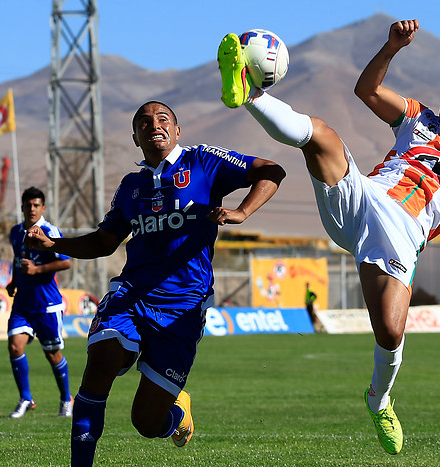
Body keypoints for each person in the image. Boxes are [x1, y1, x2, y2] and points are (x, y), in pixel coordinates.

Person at [217, 20, 440, 455]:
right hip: (364, 197)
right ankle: (248, 92)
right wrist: (390, 49)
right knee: (321, 136)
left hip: (403, 235)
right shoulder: (417, 117)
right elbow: (366, 91)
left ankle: (379, 399)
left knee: (390, 333)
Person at [24, 101, 285, 466]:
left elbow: (271, 170)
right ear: (135, 137)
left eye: (163, 119)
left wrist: (242, 211)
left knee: (146, 423)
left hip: (183, 304)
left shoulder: (204, 161)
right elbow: (104, 241)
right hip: (130, 294)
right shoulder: (131, 186)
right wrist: (56, 244)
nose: (154, 125)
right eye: (144, 122)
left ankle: (176, 415)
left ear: (177, 131)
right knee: (101, 360)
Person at [6, 186, 73, 418]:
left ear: (43, 208)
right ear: (22, 207)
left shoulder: (49, 231)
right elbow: (18, 260)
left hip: (47, 305)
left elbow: (66, 262)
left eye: (36, 205)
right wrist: (14, 281)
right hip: (23, 304)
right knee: (15, 347)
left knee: (52, 354)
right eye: (28, 205)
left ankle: (66, 399)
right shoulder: (15, 232)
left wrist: (38, 269)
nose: (32, 209)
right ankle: (25, 398)